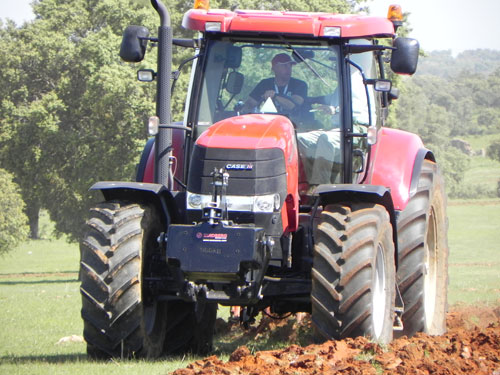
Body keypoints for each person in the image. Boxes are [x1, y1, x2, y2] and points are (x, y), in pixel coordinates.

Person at [242, 53, 307, 116]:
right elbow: (249, 105)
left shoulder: (300, 84)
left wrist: (275, 96)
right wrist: (245, 106)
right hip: (269, 123)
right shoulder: (264, 84)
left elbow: (293, 106)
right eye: (284, 65)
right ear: (274, 68)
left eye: (290, 65)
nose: (288, 69)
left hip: (294, 124)